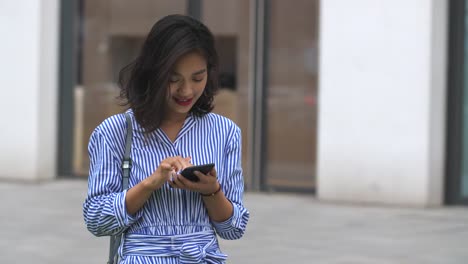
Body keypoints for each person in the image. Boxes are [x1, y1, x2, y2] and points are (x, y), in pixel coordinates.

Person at [83, 14, 249, 264]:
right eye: (173, 79)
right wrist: (150, 183)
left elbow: (233, 229)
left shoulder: (225, 132)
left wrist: (211, 191)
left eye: (197, 77)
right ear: (153, 73)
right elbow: (96, 220)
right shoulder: (114, 131)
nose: (187, 91)